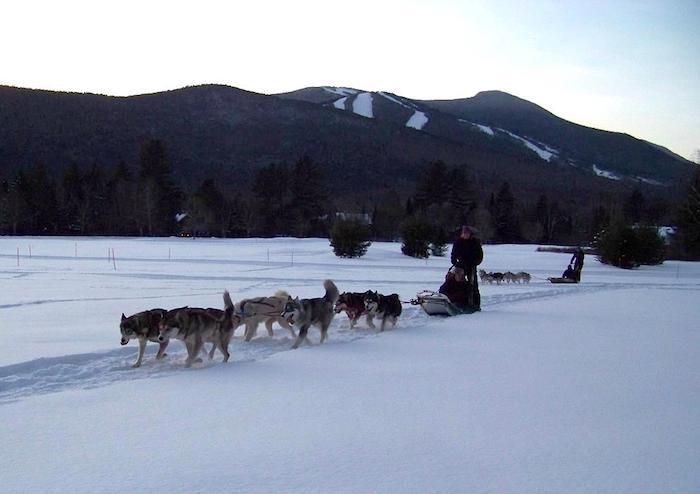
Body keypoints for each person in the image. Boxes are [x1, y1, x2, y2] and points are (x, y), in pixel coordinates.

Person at [450, 225, 483, 310]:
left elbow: (480, 256)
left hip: (471, 266)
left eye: (466, 233)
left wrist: (475, 263)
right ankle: (457, 301)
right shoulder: (458, 242)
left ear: (470, 234)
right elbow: (453, 254)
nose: (465, 235)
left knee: (473, 285)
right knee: (456, 283)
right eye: (464, 233)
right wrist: (455, 263)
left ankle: (475, 305)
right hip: (460, 266)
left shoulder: (475, 242)